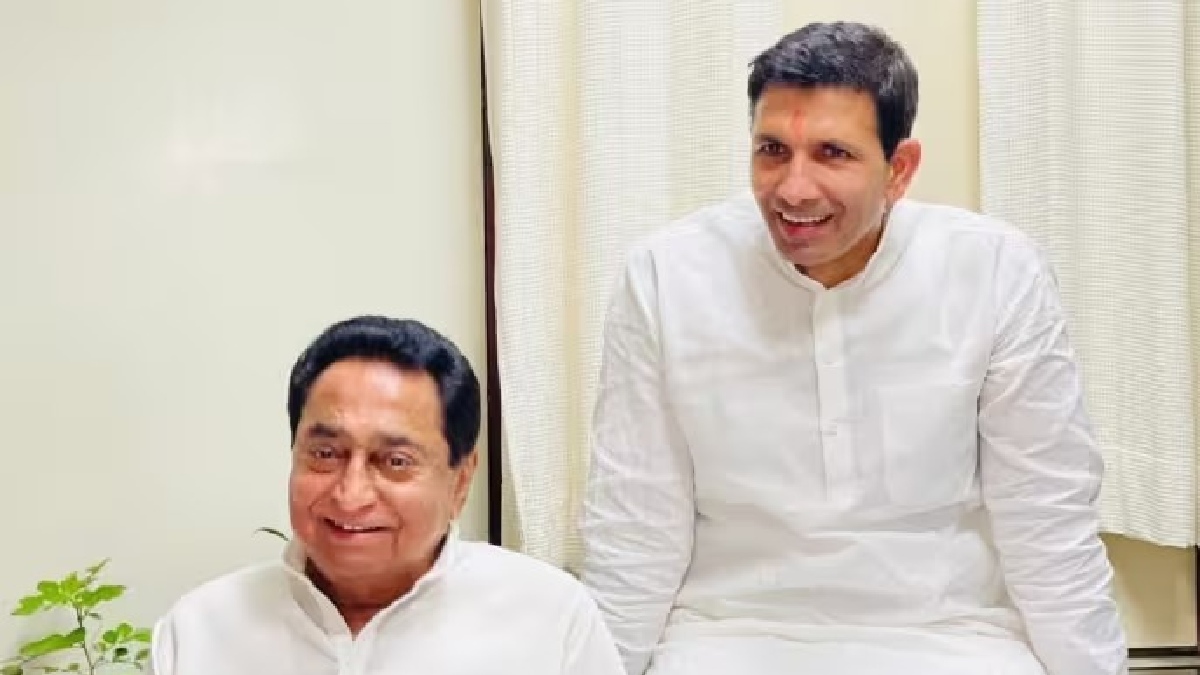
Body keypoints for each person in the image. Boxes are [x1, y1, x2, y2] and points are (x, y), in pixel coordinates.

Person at [579, 21, 1127, 675]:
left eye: (832, 154)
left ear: (900, 169)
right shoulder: (665, 276)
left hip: (953, 636)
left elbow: (1047, 521)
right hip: (727, 633)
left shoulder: (997, 272)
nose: (793, 188)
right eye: (773, 150)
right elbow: (635, 526)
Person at [149, 315, 624, 675]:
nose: (351, 495)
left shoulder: (551, 619)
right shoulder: (198, 630)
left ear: (460, 480)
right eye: (326, 454)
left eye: (394, 461)